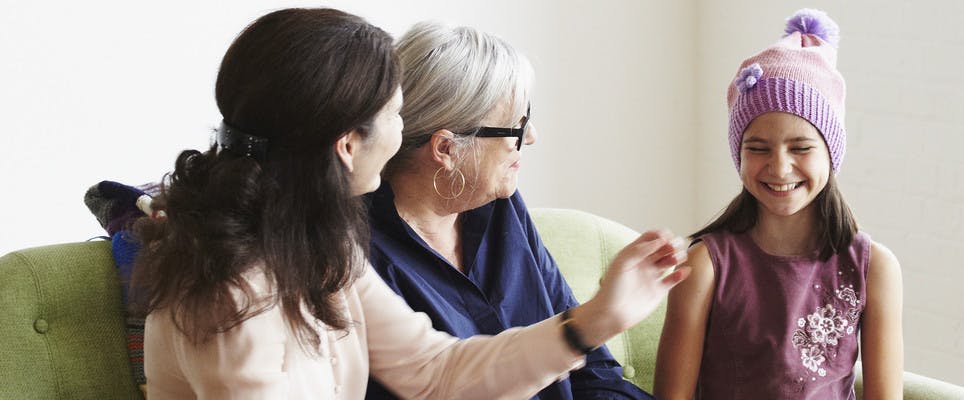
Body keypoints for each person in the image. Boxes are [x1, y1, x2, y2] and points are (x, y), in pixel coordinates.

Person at [131, 7, 691, 399]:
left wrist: (592, 322)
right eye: (398, 116)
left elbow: (433, 372)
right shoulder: (233, 292)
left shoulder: (318, 246)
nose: (407, 135)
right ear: (348, 146)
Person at [363, 22, 651, 400]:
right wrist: (595, 319)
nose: (530, 137)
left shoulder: (502, 208)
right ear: (446, 150)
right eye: (516, 126)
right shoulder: (360, 259)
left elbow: (593, 371)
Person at [652, 9, 903, 400]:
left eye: (801, 147)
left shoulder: (875, 269)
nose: (780, 167)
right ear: (739, 154)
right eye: (757, 148)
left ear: (831, 153)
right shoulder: (703, 267)